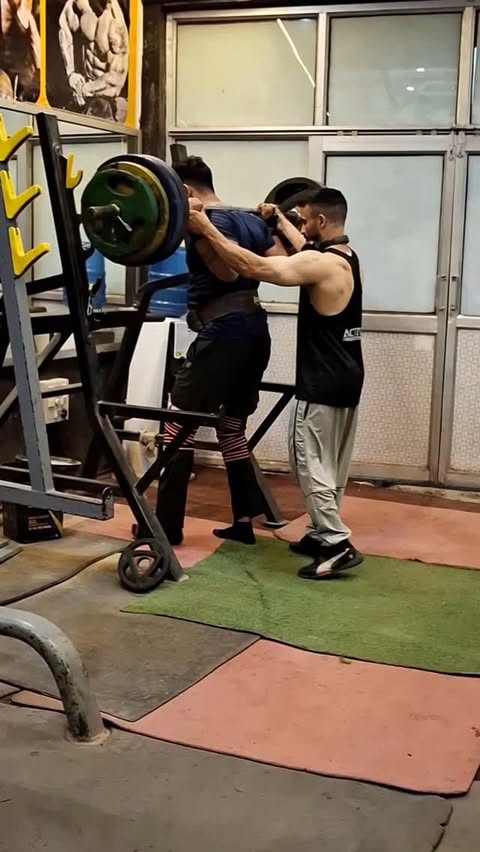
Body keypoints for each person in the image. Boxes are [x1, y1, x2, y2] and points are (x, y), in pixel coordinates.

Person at [187, 187, 364, 580]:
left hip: (322, 382)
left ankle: (337, 543)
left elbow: (255, 268)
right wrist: (280, 219)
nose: (301, 226)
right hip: (348, 377)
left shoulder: (321, 264)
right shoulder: (345, 257)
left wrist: (205, 229)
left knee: (309, 465)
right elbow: (305, 250)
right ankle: (320, 532)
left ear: (321, 221)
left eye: (305, 220)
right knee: (331, 465)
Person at [155, 155, 285, 547]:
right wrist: (271, 224)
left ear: (185, 191)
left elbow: (227, 273)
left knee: (178, 424)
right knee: (231, 427)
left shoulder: (208, 223)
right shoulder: (248, 219)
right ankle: (243, 522)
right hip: (255, 329)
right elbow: (280, 264)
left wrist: (200, 231)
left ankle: (165, 528)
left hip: (224, 332)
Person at [58, 0, 128, 119]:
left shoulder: (115, 24)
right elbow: (64, 27)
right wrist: (71, 73)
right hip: (84, 96)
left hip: (108, 102)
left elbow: (115, 78)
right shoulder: (78, 4)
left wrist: (86, 89)